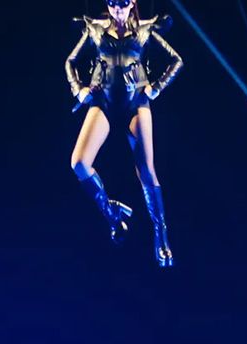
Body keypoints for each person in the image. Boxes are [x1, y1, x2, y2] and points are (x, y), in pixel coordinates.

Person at [66, 0, 184, 267]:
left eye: (121, 3)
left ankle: (161, 234)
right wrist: (79, 89)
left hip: (136, 103)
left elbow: (176, 61)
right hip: (104, 102)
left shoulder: (145, 31)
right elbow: (70, 61)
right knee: (79, 163)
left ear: (132, 4)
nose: (116, 9)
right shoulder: (95, 30)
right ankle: (112, 214)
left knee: (146, 169)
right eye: (111, 3)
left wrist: (156, 87)